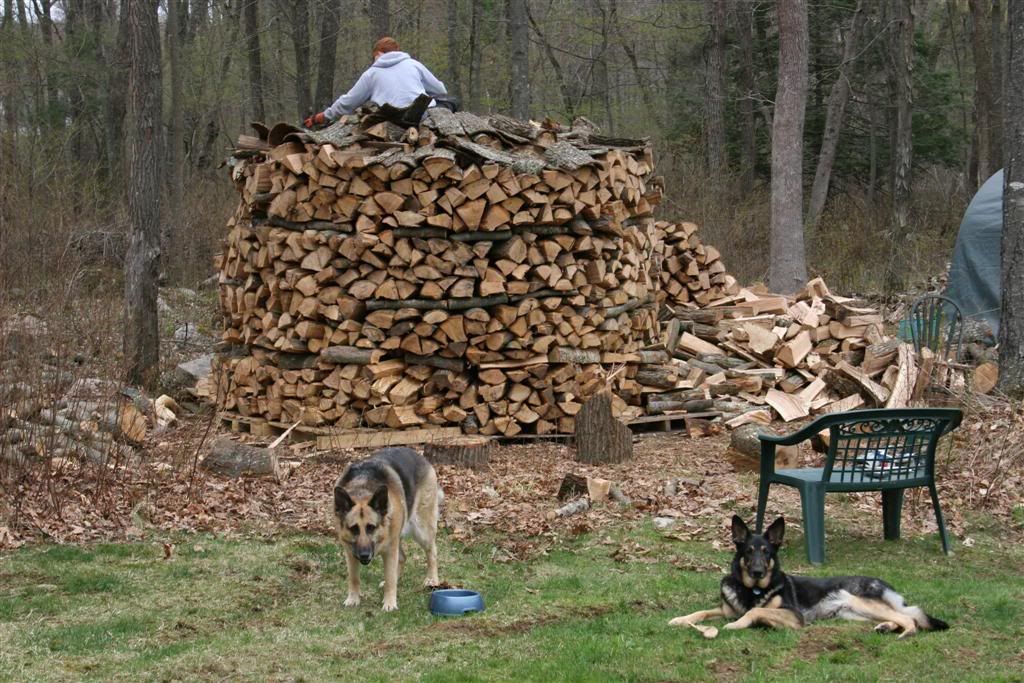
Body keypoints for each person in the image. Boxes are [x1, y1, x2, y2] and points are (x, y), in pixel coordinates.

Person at [304, 37, 448, 128]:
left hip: (393, 121)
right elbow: (441, 90)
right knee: (450, 102)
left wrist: (321, 117)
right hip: (422, 116)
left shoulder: (371, 74)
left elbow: (348, 102)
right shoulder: (413, 64)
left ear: (378, 54)